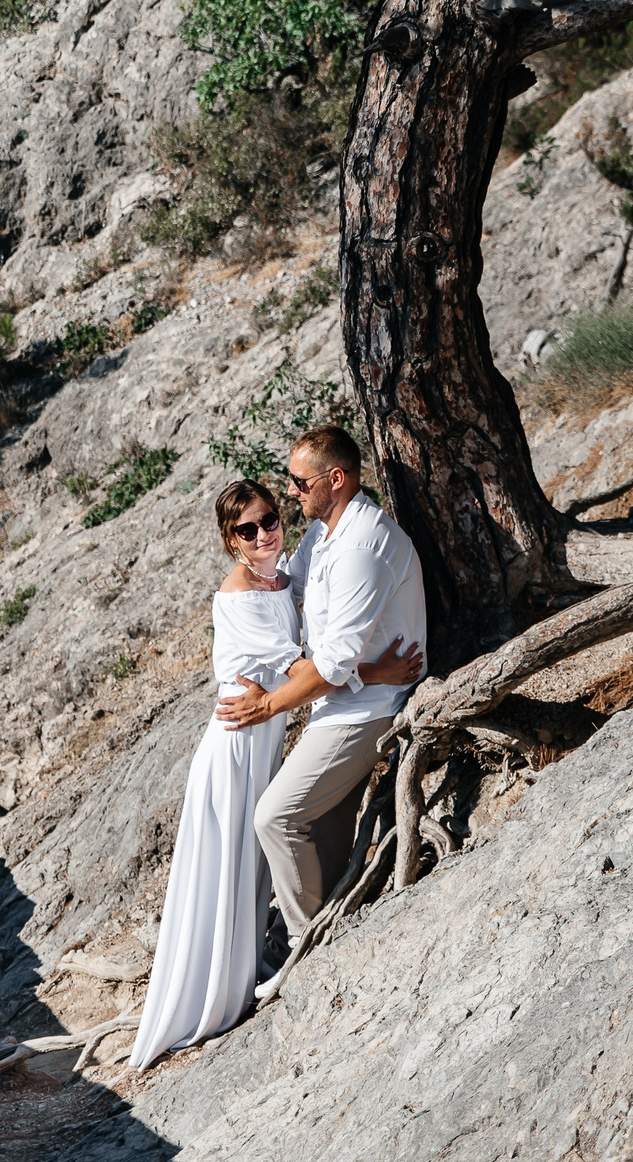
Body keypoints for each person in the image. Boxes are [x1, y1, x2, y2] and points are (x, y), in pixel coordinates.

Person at [129, 476, 421, 1070]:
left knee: (250, 862)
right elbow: (303, 671)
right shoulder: (238, 597)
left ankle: (244, 970)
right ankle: (216, 991)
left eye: (269, 519)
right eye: (248, 529)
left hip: (263, 739)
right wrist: (379, 673)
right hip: (236, 743)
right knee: (230, 862)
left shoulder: (284, 573)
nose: (264, 533)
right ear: (230, 540)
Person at [229, 425, 428, 999]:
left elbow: (335, 661)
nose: (291, 492)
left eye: (299, 481)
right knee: (321, 836)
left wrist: (268, 704)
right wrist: (242, 573)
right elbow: (289, 593)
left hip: (368, 710)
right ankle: (329, 926)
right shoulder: (323, 534)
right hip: (341, 700)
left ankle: (302, 947)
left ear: (335, 479)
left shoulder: (363, 548)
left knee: (275, 817)